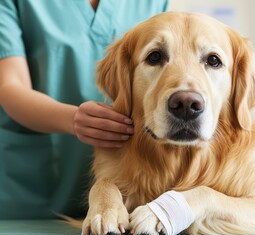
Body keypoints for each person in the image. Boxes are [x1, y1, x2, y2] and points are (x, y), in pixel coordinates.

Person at [0, 0, 168, 219]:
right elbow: (10, 86)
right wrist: (72, 119)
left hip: (127, 194)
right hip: (36, 194)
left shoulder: (152, 3)